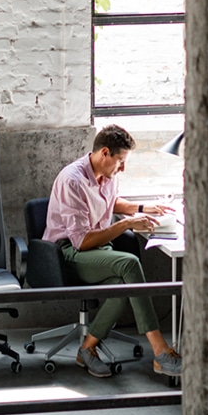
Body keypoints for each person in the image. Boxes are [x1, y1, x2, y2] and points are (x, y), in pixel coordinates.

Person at [44, 125, 182, 379]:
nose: (123, 168)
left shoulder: (108, 175)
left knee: (123, 283)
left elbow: (108, 202)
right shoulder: (72, 180)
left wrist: (144, 207)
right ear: (104, 153)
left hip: (97, 249)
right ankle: (160, 351)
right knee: (129, 265)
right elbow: (81, 241)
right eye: (120, 161)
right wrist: (127, 223)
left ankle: (86, 349)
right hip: (69, 253)